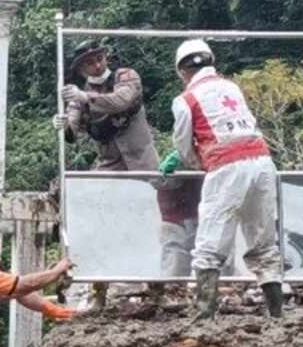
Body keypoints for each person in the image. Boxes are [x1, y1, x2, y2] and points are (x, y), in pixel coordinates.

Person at [57, 41, 201, 283]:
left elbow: (122, 101)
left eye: (99, 58)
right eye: (89, 62)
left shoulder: (125, 76)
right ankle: (100, 268)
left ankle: (172, 264)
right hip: (110, 162)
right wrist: (64, 125)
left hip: (141, 159)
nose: (97, 64)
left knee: (159, 209)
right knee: (97, 206)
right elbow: (74, 127)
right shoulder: (78, 97)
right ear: (82, 69)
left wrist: (85, 97)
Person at [160, 39, 284, 319]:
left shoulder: (185, 99)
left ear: (181, 71)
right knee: (263, 240)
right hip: (263, 162)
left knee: (209, 243)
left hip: (226, 167)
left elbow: (183, 144)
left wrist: (196, 162)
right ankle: (276, 312)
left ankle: (205, 314)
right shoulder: (232, 87)